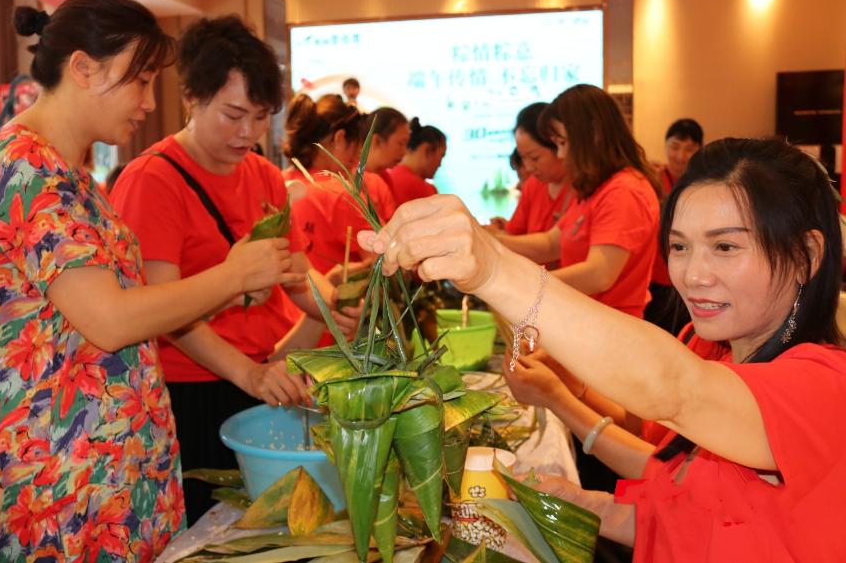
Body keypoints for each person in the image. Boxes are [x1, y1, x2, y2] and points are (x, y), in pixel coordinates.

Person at [362, 137, 846, 562]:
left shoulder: (824, 388)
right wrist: (580, 504)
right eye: (679, 247)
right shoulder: (708, 346)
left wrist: (495, 271)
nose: (694, 275)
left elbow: (674, 390)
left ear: (806, 255)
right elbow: (688, 506)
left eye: (725, 248)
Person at [0, 0, 302, 562]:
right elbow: (111, 320)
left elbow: (133, 306)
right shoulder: (23, 168)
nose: (148, 102)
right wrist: (231, 275)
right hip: (63, 482)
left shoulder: (69, 172)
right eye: (139, 82)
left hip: (108, 470)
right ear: (83, 68)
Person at [109, 16, 356, 524]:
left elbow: (296, 272)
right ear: (192, 97)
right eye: (233, 114)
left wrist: (336, 308)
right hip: (188, 393)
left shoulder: (264, 176)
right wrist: (249, 374)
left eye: (261, 117)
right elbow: (164, 310)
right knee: (203, 527)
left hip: (260, 379)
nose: (248, 133)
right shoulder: (152, 181)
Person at [489, 86, 661, 319]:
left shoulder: (625, 190)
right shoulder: (597, 188)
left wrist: (526, 285)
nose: (560, 155)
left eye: (562, 143)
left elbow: (600, 273)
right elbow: (551, 243)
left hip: (610, 327)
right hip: (583, 320)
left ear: (593, 136)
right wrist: (493, 242)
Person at [283, 93, 388, 275]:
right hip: (332, 301)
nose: (356, 159)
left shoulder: (280, 180)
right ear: (339, 138)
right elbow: (385, 258)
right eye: (356, 147)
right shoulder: (340, 194)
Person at [487, 103, 572, 269]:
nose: (529, 167)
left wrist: (493, 238)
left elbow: (552, 247)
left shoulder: (583, 188)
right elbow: (514, 235)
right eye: (523, 158)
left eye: (534, 158)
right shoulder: (534, 185)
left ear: (559, 145)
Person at [644, 118, 704, 334]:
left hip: (688, 277)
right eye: (675, 147)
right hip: (656, 277)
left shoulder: (703, 185)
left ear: (699, 150)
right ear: (666, 145)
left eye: (689, 149)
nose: (680, 156)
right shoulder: (652, 179)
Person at [382, 117, 445, 206]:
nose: (440, 164)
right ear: (427, 150)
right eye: (441, 156)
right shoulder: (425, 191)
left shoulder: (386, 177)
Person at [362, 106, 410, 177]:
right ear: (376, 141)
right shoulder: (351, 178)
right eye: (400, 143)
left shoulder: (385, 177)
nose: (404, 152)